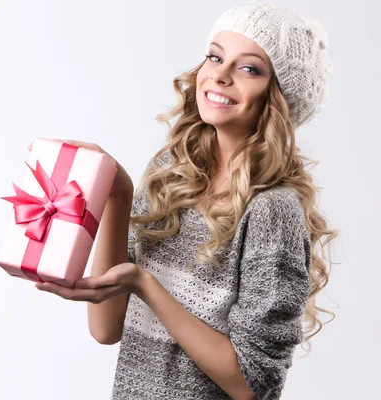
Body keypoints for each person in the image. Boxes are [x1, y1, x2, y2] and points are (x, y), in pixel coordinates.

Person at [33, 1, 338, 399]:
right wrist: (118, 194)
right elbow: (105, 329)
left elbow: (252, 386)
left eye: (249, 68)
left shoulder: (271, 209)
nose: (220, 75)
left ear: (278, 98)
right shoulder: (171, 175)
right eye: (215, 56)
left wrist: (146, 285)